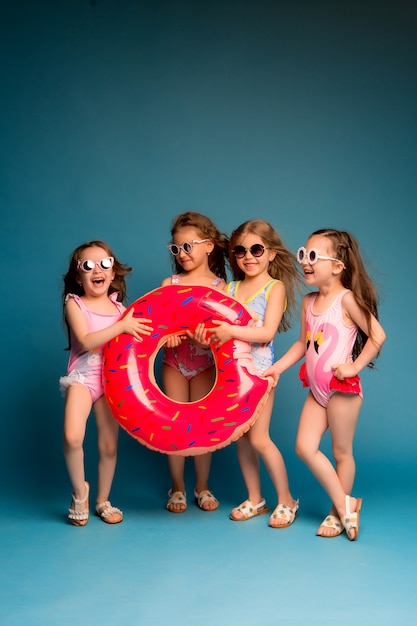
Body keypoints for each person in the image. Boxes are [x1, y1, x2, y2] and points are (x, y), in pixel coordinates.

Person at [263, 228, 386, 540]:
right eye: (303, 254)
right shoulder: (309, 301)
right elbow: (304, 344)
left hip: (342, 392)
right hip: (317, 393)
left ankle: (336, 513)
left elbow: (377, 335)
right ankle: (348, 505)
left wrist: (354, 365)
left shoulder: (346, 300)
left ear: (337, 265)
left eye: (313, 256)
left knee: (341, 452)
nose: (305, 261)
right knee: (304, 447)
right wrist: (276, 368)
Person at [207, 219, 300, 528]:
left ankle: (286, 500)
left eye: (257, 249)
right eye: (240, 250)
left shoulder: (275, 288)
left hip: (260, 373)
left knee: (259, 438)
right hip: (230, 374)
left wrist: (229, 330)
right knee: (241, 439)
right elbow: (213, 328)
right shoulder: (229, 288)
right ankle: (255, 499)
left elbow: (266, 332)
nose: (249, 256)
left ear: (271, 253)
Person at [60, 240, 153, 526]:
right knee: (73, 436)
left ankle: (102, 500)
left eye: (104, 264)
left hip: (112, 381)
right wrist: (122, 326)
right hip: (84, 377)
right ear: (79, 276)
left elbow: (139, 343)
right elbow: (87, 341)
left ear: (113, 273)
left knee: (109, 445)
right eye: (88, 266)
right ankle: (80, 491)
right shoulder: (74, 304)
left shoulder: (119, 309)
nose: (97, 270)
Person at [161, 211, 229, 513]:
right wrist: (168, 337)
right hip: (175, 362)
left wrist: (209, 341)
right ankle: (177, 486)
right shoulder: (170, 282)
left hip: (205, 363)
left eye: (188, 246)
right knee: (174, 423)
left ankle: (202, 485)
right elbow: (158, 327)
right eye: (176, 248)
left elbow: (226, 335)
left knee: (202, 424)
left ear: (209, 246)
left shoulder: (221, 288)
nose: (182, 254)